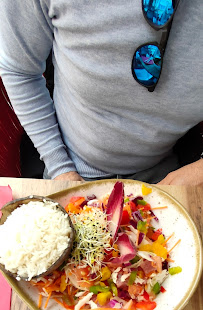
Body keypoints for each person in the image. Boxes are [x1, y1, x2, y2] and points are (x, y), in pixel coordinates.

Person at [0, 0, 202, 185]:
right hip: (72, 167)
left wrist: (199, 171)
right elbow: (19, 71)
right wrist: (59, 167)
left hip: (172, 172)